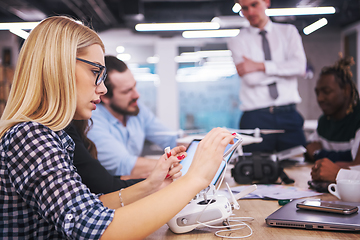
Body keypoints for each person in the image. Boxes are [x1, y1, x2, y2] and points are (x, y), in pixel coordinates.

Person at [0, 16, 236, 239]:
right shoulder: (30, 136)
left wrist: (150, 185)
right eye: (96, 72)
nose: (102, 89)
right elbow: (95, 230)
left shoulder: (54, 134)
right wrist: (194, 178)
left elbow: (88, 206)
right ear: (58, 67)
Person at [227, 0, 307, 153]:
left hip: (288, 115)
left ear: (266, 2)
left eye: (254, 4)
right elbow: (251, 79)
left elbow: (299, 67)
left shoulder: (288, 32)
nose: (250, 12)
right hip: (256, 117)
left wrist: (259, 66)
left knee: (298, 164)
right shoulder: (237, 40)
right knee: (256, 170)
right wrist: (285, 70)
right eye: (244, 8)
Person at [88, 55, 177, 179]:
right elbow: (125, 164)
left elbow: (170, 139)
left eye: (135, 86)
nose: (137, 95)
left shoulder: (135, 110)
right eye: (127, 91)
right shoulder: (92, 120)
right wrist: (180, 165)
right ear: (105, 96)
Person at [307, 56, 360, 168]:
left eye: (326, 92)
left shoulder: (357, 118)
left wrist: (320, 154)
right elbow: (310, 149)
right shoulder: (324, 120)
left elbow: (355, 164)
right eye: (317, 93)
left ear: (346, 90)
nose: (320, 98)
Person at [66, 120, 144, 194]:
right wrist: (149, 183)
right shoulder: (66, 131)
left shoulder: (75, 128)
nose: (97, 105)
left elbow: (100, 179)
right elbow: (104, 186)